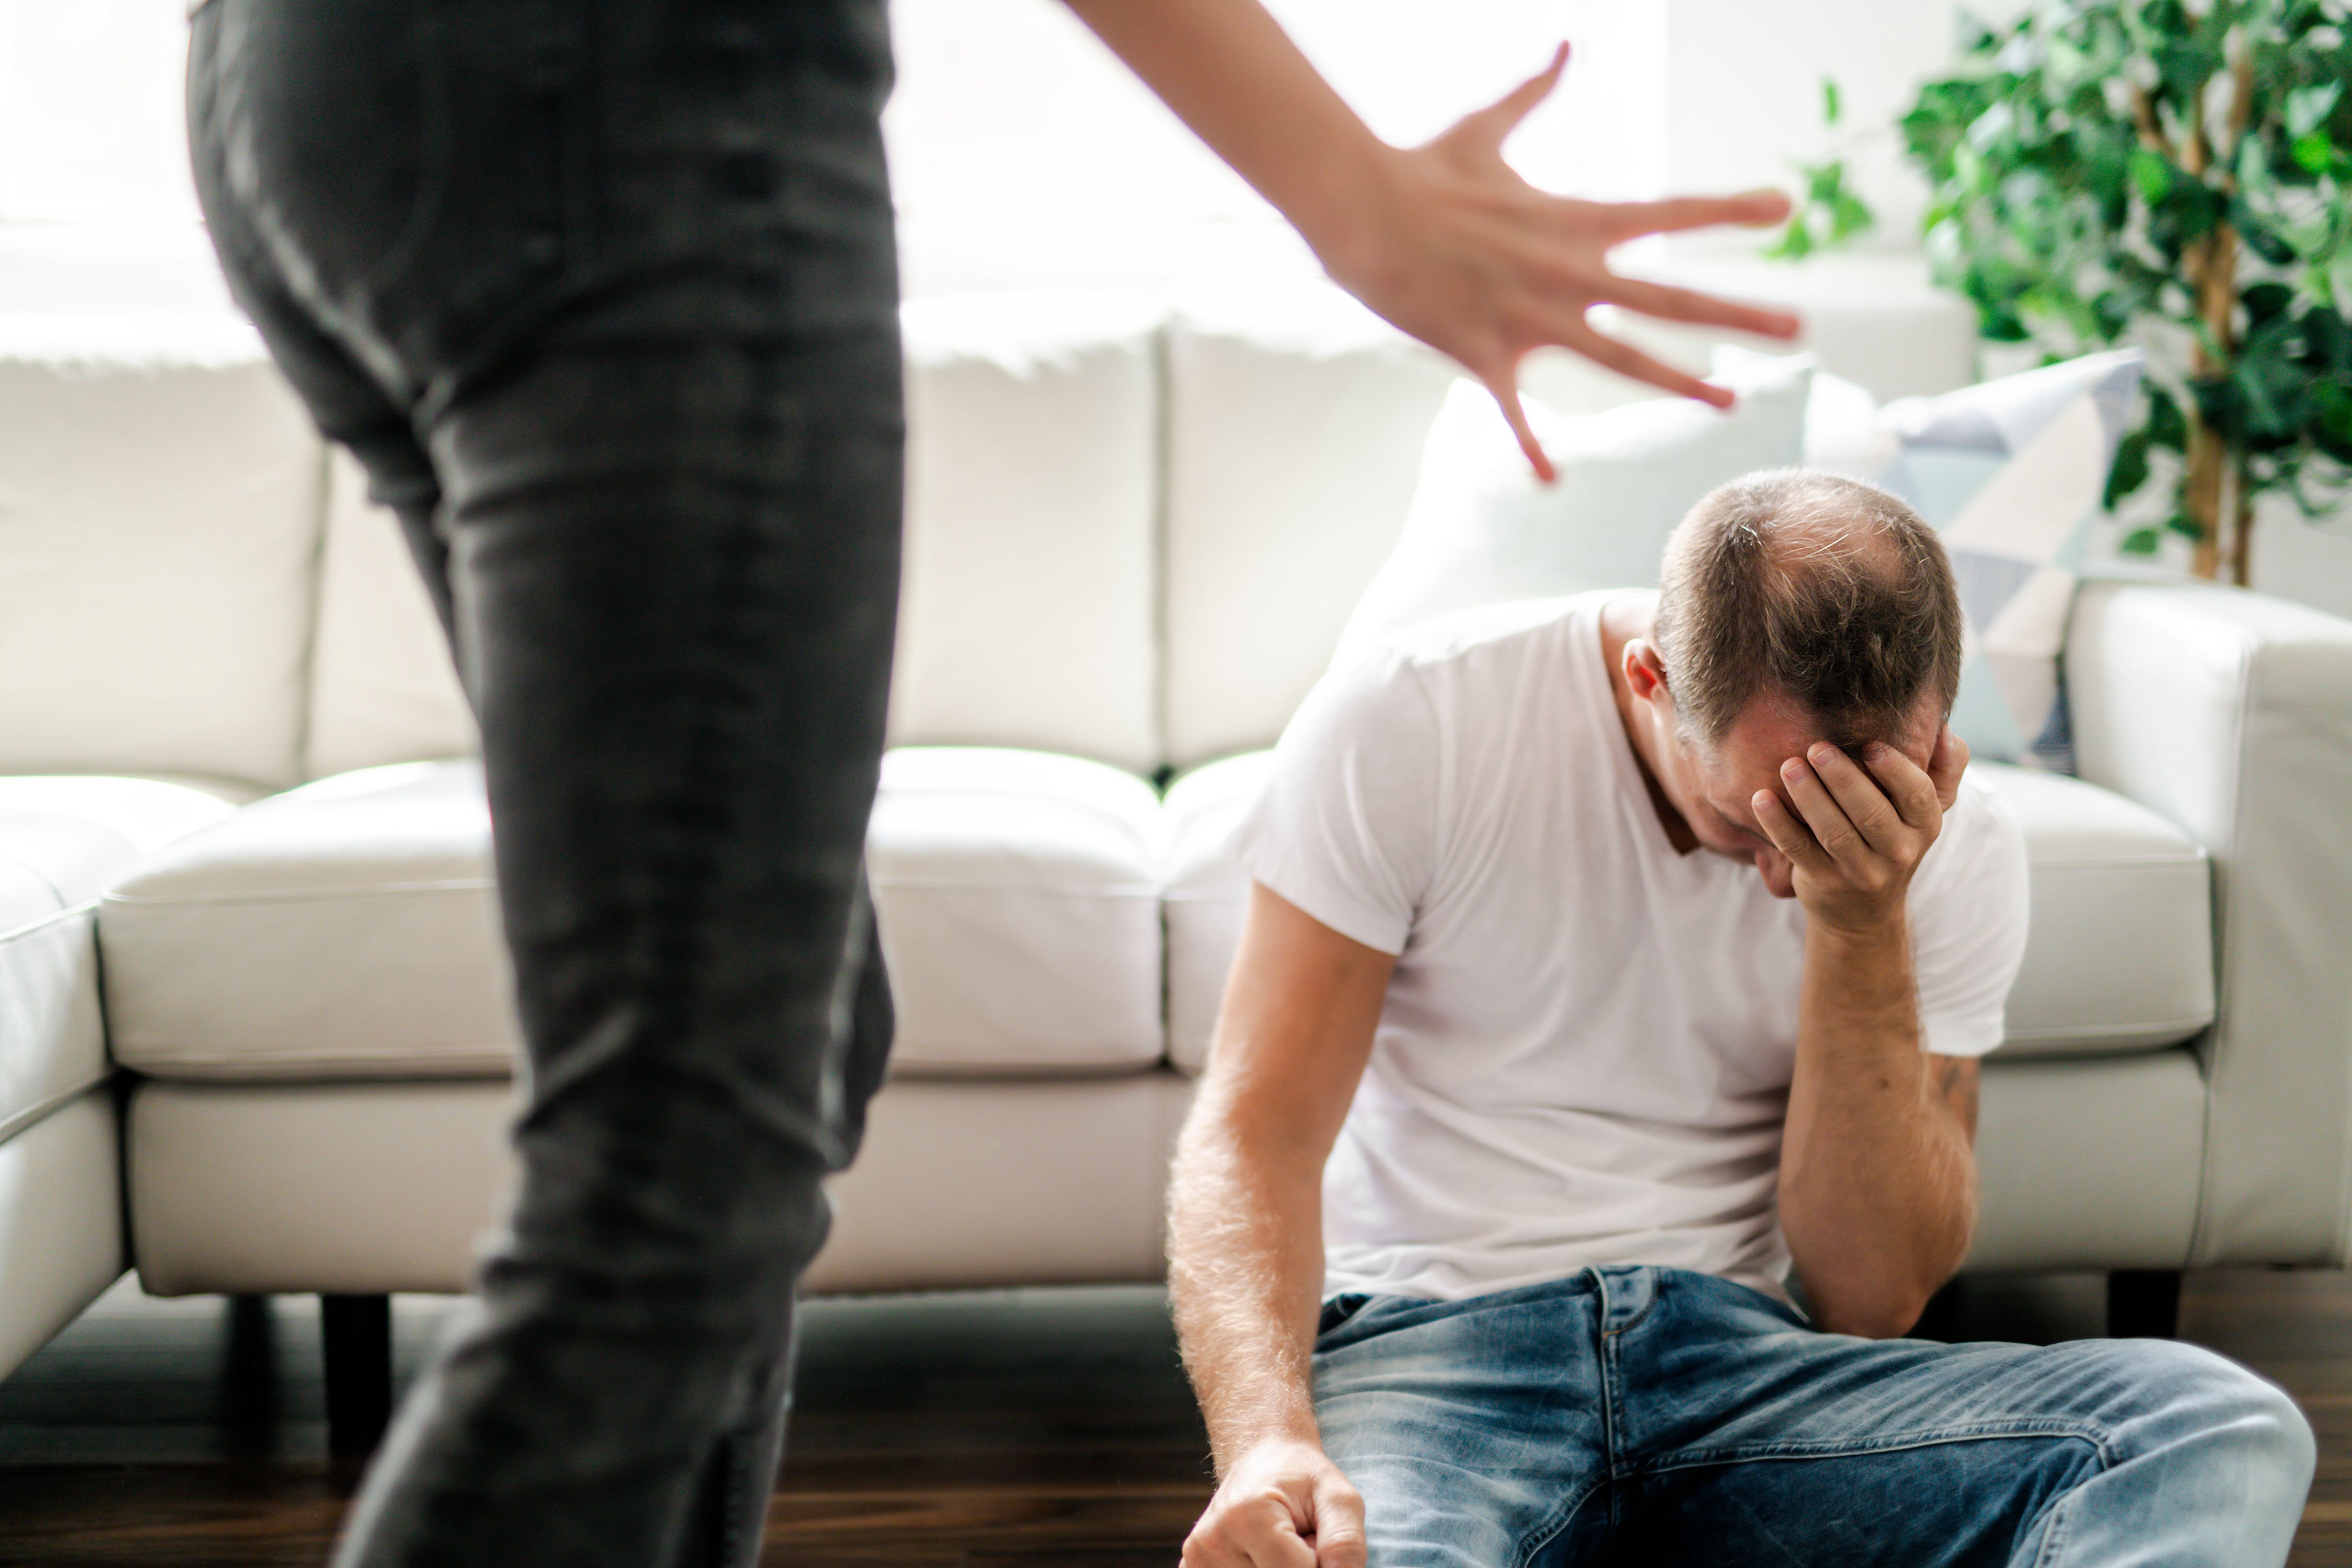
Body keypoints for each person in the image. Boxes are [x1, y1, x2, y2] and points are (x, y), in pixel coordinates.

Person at [182, 1, 1797, 1563]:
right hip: (617, 92)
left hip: (329, 84)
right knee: (679, 1145)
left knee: (794, 1042)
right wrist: (1350, 192)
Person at [1169, 470, 2316, 1567]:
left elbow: (1876, 1298)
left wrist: (1864, 927)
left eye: (1845, 812)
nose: (1793, 867)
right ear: (1650, 678)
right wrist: (1268, 1440)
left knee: (2215, 1425)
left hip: (1743, 1372)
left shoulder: (1947, 842)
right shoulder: (1415, 714)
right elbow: (1253, 1133)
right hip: (1435, 1357)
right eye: (1754, 821)